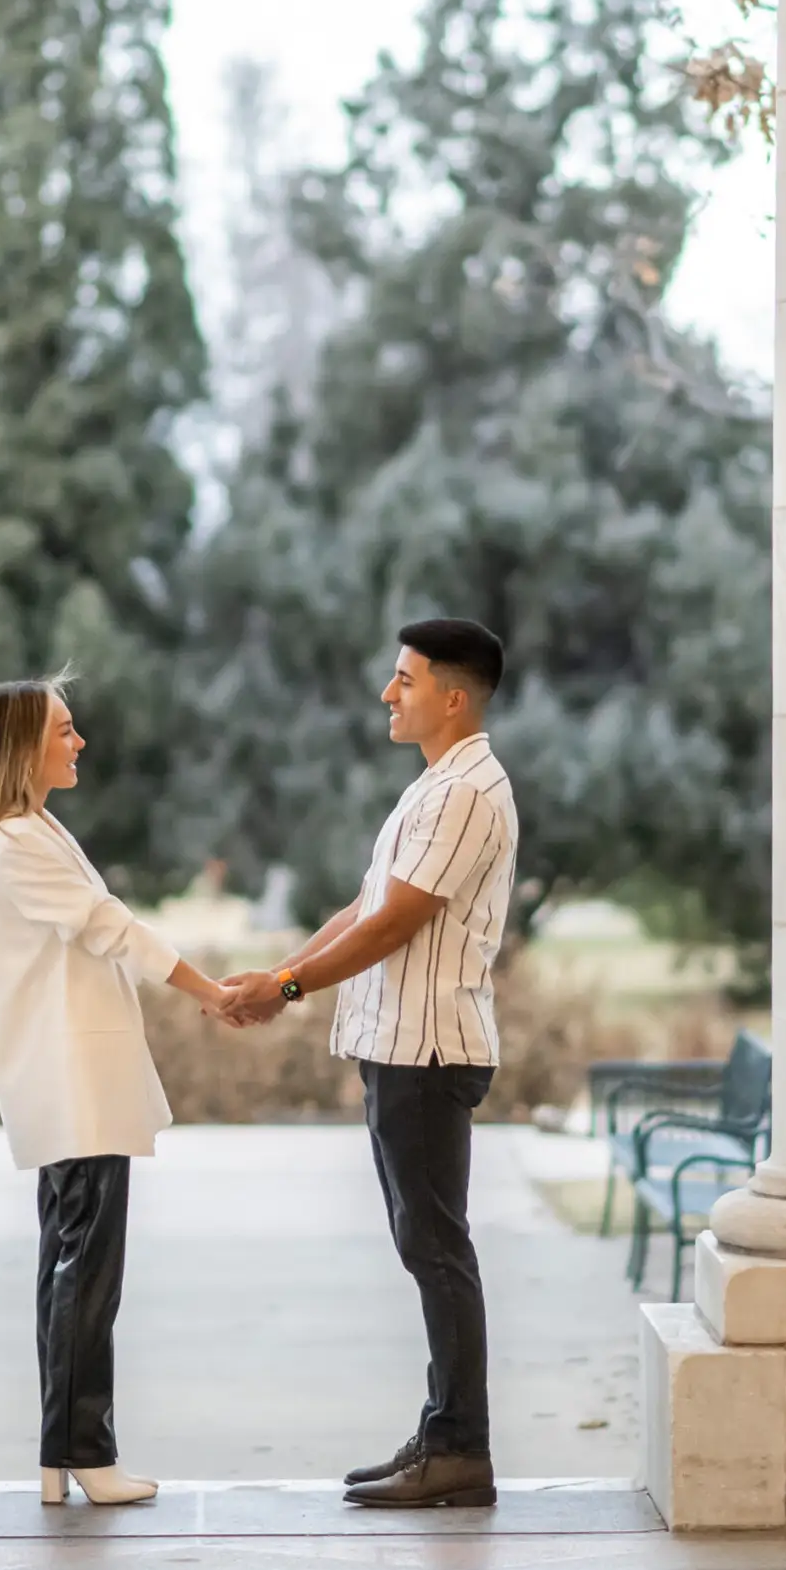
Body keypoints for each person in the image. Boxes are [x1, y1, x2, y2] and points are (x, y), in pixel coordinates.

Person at [223, 618, 518, 1509]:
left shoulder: (464, 792)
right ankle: (443, 1430)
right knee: (426, 1245)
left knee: (437, 1249)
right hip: (400, 1046)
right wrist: (279, 976)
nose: (389, 693)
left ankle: (461, 1448)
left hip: (426, 1050)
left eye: (405, 679)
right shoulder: (437, 787)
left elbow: (396, 924)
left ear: (453, 696)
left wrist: (287, 986)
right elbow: (365, 905)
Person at [0, 672, 237, 1508]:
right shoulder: (14, 839)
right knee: (86, 1272)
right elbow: (106, 923)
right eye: (64, 729)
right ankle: (83, 1450)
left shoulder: (31, 829)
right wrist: (208, 988)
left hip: (78, 1081)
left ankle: (68, 1450)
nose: (78, 742)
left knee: (72, 1267)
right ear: (21, 748)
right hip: (71, 1085)